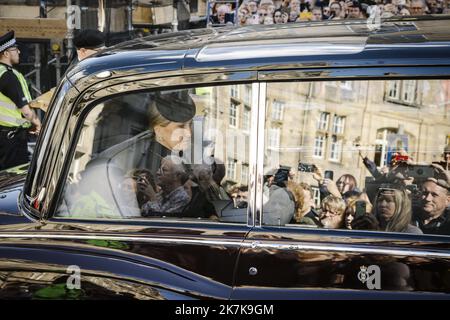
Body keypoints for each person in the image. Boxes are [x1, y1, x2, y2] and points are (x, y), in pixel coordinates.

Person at [0, 30, 42, 170]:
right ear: (6, 53)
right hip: (12, 140)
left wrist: (27, 125)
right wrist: (37, 124)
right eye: (14, 49)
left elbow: (8, 112)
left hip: (6, 135)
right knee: (14, 177)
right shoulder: (8, 76)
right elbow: (25, 111)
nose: (18, 51)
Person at [353, 187, 423, 234]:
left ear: (401, 205)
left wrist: (376, 232)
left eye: (389, 201)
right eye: (380, 200)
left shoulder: (412, 232)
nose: (383, 204)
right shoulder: (369, 225)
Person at [412, 167, 450, 235]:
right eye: (424, 193)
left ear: (447, 200)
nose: (427, 198)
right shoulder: (408, 214)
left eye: (434, 195)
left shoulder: (448, 221)